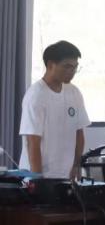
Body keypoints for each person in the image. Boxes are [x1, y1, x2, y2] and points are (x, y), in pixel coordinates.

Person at [19, 40, 90, 178]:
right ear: (51, 65)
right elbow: (32, 142)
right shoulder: (36, 95)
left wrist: (76, 166)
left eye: (75, 67)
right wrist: (38, 179)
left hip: (65, 175)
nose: (72, 72)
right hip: (40, 175)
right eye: (67, 67)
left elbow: (79, 133)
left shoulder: (74, 93)